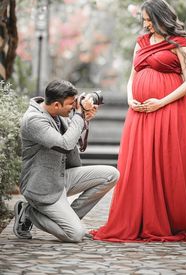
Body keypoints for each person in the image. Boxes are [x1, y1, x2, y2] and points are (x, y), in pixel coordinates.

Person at [92, 0, 186, 242]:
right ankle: (138, 217)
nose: (146, 24)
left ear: (161, 18)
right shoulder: (141, 42)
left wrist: (161, 101)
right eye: (144, 20)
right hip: (139, 112)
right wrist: (130, 98)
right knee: (139, 161)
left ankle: (165, 219)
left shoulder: (180, 44)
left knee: (165, 160)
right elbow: (132, 76)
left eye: (149, 20)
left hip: (168, 109)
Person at [13, 79, 119, 242]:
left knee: (111, 174)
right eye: (71, 104)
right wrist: (78, 115)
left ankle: (68, 220)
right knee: (75, 235)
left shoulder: (57, 113)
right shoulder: (33, 120)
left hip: (61, 177)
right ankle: (28, 212)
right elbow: (66, 144)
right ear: (56, 105)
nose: (74, 107)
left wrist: (85, 117)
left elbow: (73, 134)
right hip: (42, 187)